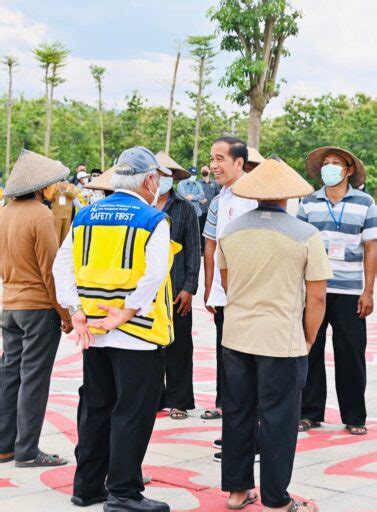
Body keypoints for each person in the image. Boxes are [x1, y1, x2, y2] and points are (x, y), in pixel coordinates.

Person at [53, 146, 178, 512]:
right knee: (131, 412)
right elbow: (154, 274)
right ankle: (123, 492)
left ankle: (88, 486)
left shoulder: (85, 216)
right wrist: (126, 311)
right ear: (150, 179)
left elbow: (63, 266)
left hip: (94, 329)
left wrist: (75, 309)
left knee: (96, 406)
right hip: (138, 333)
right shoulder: (153, 219)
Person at [219, 155, 332, 512]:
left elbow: (227, 281)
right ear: (288, 195)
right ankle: (276, 499)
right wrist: (309, 337)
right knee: (278, 419)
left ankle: (237, 492)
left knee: (237, 413)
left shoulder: (231, 231)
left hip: (236, 336)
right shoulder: (305, 234)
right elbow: (316, 295)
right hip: (281, 339)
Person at [298, 146, 377, 436]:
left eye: (336, 164)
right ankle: (309, 412)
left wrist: (368, 291)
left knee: (351, 354)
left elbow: (371, 247)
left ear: (349, 170)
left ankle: (354, 416)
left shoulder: (365, 203)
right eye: (326, 164)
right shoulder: (308, 203)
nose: (330, 168)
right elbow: (300, 247)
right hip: (314, 290)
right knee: (310, 350)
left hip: (350, 291)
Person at [0, 149, 72, 467]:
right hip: (38, 308)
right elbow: (51, 271)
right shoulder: (40, 215)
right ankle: (27, 450)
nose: (57, 188)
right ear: (40, 187)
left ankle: (5, 446)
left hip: (10, 305)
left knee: (9, 375)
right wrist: (65, 314)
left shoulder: (4, 212)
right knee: (33, 379)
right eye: (54, 183)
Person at [202, 137, 257, 461]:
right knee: (232, 369)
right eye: (212, 158)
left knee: (250, 369)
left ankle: (252, 439)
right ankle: (236, 435)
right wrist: (211, 289)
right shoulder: (219, 200)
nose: (215, 165)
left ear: (240, 162)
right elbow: (211, 244)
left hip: (250, 296)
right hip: (226, 296)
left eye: (221, 158)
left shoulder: (254, 195)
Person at [156, 163, 201, 420]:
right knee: (150, 349)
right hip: (147, 291)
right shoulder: (143, 208)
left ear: (173, 179)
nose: (162, 180)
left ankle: (179, 401)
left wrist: (189, 287)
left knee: (180, 346)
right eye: (157, 175)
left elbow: (194, 249)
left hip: (176, 287)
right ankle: (154, 397)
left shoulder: (185, 208)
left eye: (167, 176)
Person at [198, 165, 220, 255]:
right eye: (203, 169)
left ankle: (212, 250)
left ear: (209, 171)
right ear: (201, 171)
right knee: (201, 230)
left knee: (212, 231)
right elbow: (193, 195)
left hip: (212, 212)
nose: (204, 170)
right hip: (200, 210)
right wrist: (200, 200)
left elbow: (219, 196)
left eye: (206, 169)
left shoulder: (215, 183)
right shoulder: (198, 183)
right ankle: (202, 250)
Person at [51, 180, 77, 246]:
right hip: (57, 214)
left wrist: (67, 189)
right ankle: (56, 251)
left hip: (67, 214)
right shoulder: (54, 187)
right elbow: (50, 198)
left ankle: (63, 250)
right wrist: (56, 189)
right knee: (56, 235)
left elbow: (74, 196)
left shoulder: (71, 186)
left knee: (65, 235)